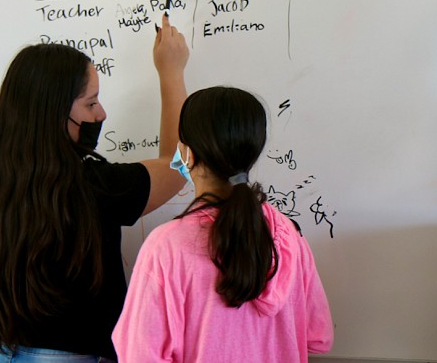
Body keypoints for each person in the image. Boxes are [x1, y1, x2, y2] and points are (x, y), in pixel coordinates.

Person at [0, 14, 189, 363]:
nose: (101, 114)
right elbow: (179, 165)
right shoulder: (95, 186)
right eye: (90, 103)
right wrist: (171, 72)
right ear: (53, 112)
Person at [112, 86, 334, 363]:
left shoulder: (167, 246)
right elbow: (318, 336)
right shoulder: (286, 234)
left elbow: (139, 355)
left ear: (188, 154)